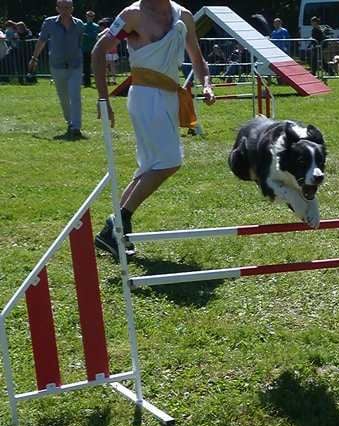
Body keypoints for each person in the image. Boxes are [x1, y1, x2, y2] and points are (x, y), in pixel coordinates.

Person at [91, 0, 215, 261]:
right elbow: (99, 51)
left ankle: (112, 231)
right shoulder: (132, 15)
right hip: (146, 96)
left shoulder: (184, 15)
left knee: (149, 167)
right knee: (169, 162)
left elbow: (198, 59)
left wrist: (206, 84)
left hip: (170, 96)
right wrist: (103, 99)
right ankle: (120, 220)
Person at [27, 0, 86, 139]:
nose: (65, 10)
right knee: (63, 97)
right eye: (62, 7)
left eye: (68, 7)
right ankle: (69, 120)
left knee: (75, 95)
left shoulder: (79, 24)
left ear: (72, 8)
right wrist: (34, 58)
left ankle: (76, 126)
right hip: (57, 65)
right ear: (57, 8)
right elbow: (42, 40)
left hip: (75, 65)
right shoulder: (49, 23)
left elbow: (80, 43)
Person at [81, 11, 99, 87]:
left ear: (93, 17)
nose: (89, 17)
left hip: (93, 49)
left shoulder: (96, 26)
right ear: (86, 16)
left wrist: (85, 35)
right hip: (84, 49)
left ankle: (98, 81)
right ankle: (87, 83)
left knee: (96, 66)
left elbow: (94, 36)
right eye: (88, 16)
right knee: (86, 67)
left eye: (91, 16)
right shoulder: (83, 26)